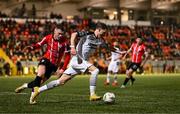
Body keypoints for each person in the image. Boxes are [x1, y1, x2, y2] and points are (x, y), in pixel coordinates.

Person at [30, 22, 108, 104]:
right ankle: (92, 94)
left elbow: (107, 47)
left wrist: (118, 52)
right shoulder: (88, 33)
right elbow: (74, 34)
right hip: (78, 59)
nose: (104, 34)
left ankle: (38, 90)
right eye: (103, 32)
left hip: (80, 61)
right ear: (98, 30)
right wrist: (72, 47)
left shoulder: (99, 40)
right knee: (95, 71)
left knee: (60, 82)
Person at [14, 25, 71, 104]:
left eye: (62, 34)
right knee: (41, 74)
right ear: (55, 31)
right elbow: (39, 44)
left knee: (39, 82)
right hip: (46, 59)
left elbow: (68, 56)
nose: (60, 35)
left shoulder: (65, 42)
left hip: (54, 65)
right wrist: (31, 48)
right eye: (59, 33)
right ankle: (32, 99)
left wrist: (62, 69)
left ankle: (25, 85)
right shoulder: (48, 37)